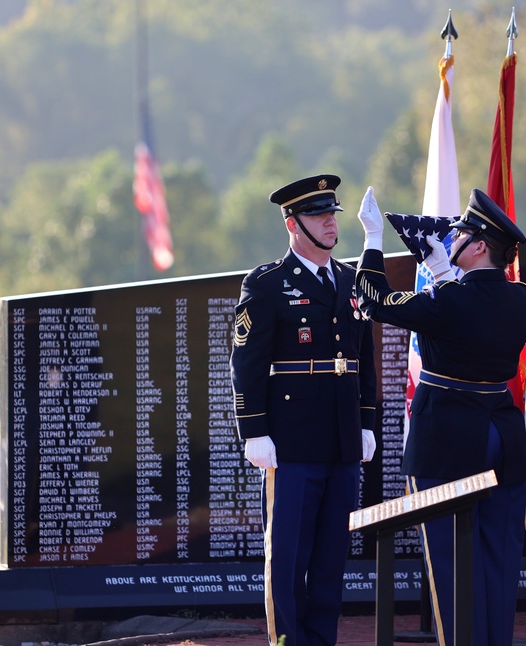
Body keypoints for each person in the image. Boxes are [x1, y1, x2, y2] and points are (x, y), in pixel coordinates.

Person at [354, 185, 526, 646]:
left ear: (478, 247)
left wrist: (373, 239)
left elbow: (373, 300)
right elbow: (472, 310)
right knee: (498, 561)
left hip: (451, 437)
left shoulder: (448, 302)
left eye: (459, 232)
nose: (449, 235)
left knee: (453, 564)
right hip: (504, 434)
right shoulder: (524, 299)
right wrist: (441, 272)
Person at [230, 174, 378, 646]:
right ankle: (289, 641)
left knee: (333, 555)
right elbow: (246, 362)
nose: (331, 223)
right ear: (293, 225)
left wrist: (368, 423)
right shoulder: (268, 283)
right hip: (290, 443)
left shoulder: (350, 280)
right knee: (289, 555)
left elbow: (363, 358)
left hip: (340, 440)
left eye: (333, 213)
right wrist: (253, 430)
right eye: (319, 215)